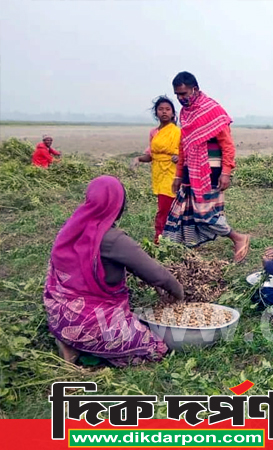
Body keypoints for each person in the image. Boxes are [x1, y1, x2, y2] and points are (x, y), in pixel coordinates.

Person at [43, 176, 183, 366]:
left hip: (59, 317)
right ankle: (93, 347)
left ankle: (69, 342)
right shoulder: (112, 239)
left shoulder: (70, 230)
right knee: (156, 348)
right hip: (91, 324)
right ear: (118, 205)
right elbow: (158, 274)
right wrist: (178, 293)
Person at [163, 72, 250, 262]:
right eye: (177, 95)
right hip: (189, 169)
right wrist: (178, 175)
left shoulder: (212, 110)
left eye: (184, 94)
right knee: (186, 211)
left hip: (210, 171)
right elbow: (183, 145)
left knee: (204, 213)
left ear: (195, 89)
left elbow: (227, 144)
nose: (181, 99)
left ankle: (238, 238)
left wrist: (226, 172)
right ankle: (187, 253)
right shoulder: (186, 114)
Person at [130, 96, 180, 243]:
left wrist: (179, 157)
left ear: (172, 113)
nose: (164, 112)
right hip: (158, 172)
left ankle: (161, 239)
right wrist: (138, 159)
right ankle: (162, 239)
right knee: (164, 207)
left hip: (173, 173)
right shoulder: (154, 133)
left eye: (167, 109)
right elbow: (151, 155)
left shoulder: (178, 132)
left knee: (167, 208)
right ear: (156, 113)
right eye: (161, 109)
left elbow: (185, 152)